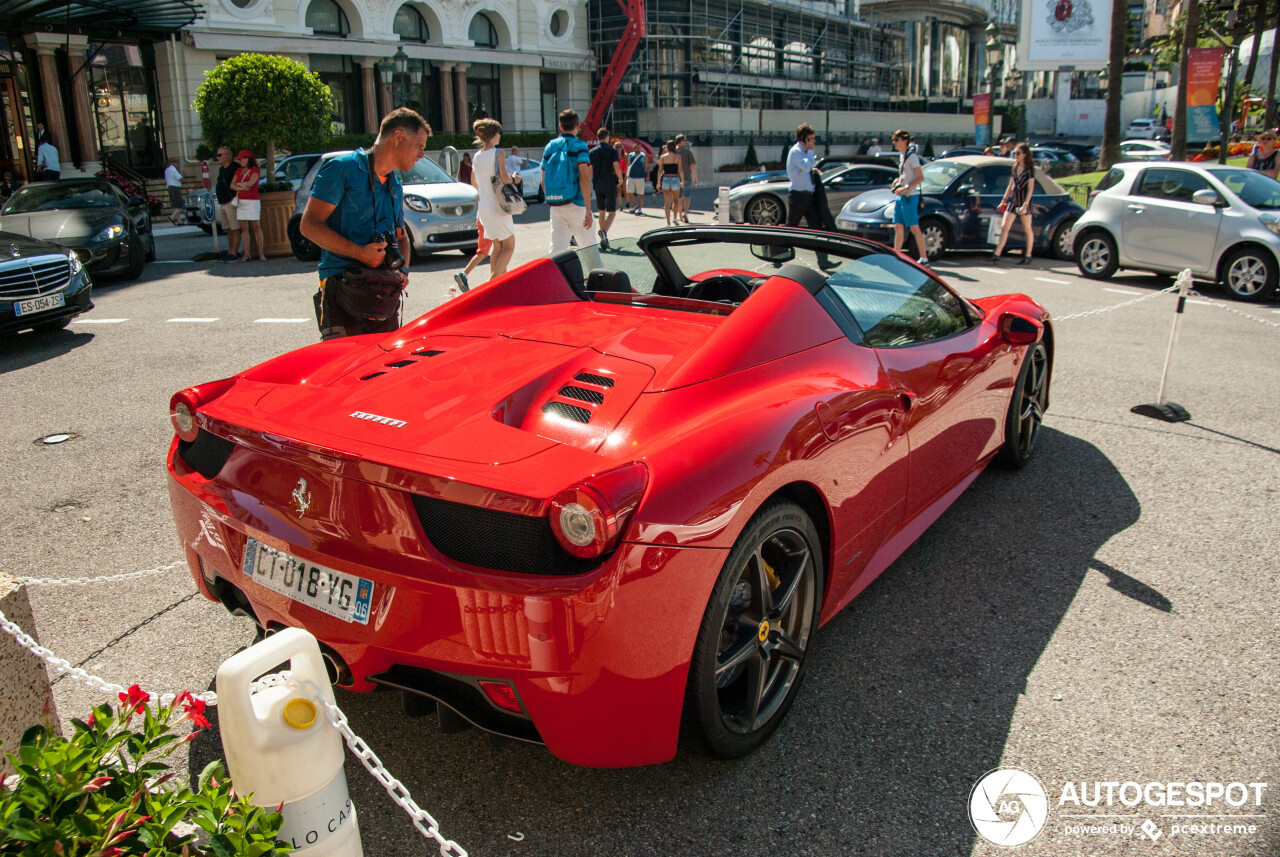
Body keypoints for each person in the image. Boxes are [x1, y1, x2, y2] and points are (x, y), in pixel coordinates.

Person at [301, 107, 430, 340]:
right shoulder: (343, 168)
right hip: (342, 292)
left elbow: (401, 238)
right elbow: (309, 225)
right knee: (343, 370)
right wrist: (359, 253)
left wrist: (402, 270)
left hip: (383, 296)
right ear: (398, 137)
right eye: (419, 146)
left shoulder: (395, 185)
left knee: (386, 371)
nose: (422, 154)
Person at [542, 108, 594, 255]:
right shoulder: (580, 145)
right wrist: (588, 210)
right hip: (577, 203)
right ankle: (599, 278)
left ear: (560, 126)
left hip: (556, 205)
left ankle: (552, 278)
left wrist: (554, 197)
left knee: (556, 251)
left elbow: (543, 180)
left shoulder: (550, 147)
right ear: (577, 126)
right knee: (589, 249)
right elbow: (584, 178)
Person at [471, 118, 517, 279]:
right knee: (509, 246)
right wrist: (514, 178)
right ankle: (492, 284)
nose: (500, 135)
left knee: (498, 247)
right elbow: (504, 178)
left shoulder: (476, 156)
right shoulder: (498, 153)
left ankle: (499, 287)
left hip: (483, 207)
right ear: (493, 134)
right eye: (498, 132)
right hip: (498, 206)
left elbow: (474, 182)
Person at [990, 142, 1036, 266]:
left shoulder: (1030, 170)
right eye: (1014, 153)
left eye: (1018, 153)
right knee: (1005, 226)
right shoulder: (1015, 168)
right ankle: (997, 254)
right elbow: (1010, 186)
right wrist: (1003, 200)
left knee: (1027, 228)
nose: (1015, 155)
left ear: (1025, 154)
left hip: (1023, 201)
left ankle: (1028, 255)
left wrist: (1025, 204)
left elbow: (1031, 188)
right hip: (1013, 200)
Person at [889, 129, 929, 266]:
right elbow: (906, 175)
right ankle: (896, 255)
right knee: (898, 226)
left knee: (914, 228)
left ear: (904, 141)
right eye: (893, 140)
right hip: (902, 196)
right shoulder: (902, 156)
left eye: (896, 140)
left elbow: (920, 177)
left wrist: (905, 188)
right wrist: (898, 181)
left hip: (910, 197)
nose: (894, 142)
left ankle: (924, 258)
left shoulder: (912, 157)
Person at [786, 123, 825, 231]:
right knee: (791, 226)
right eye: (811, 139)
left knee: (816, 226)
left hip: (809, 195)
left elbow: (806, 169)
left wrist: (812, 171)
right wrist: (811, 150)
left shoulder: (805, 152)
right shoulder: (796, 151)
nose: (814, 141)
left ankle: (819, 247)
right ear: (804, 139)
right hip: (799, 195)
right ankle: (779, 247)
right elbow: (806, 166)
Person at [588, 127, 622, 249]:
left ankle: (604, 237)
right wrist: (621, 179)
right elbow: (616, 167)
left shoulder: (592, 152)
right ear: (607, 137)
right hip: (610, 183)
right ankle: (604, 232)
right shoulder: (612, 150)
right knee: (612, 212)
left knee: (601, 211)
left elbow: (590, 170)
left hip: (598, 184)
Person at [231, 150, 265, 263]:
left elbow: (251, 183)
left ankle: (261, 253)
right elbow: (232, 185)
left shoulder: (255, 170)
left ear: (248, 159)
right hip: (241, 201)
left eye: (243, 158)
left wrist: (240, 185)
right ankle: (246, 254)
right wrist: (243, 187)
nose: (241, 161)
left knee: (256, 226)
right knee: (244, 229)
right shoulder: (238, 170)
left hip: (252, 201)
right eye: (240, 159)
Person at [213, 146, 241, 262]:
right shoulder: (221, 170)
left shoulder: (235, 167)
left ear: (227, 155)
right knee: (228, 228)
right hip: (222, 202)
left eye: (220, 155)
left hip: (231, 201)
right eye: (217, 155)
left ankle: (234, 252)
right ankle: (230, 251)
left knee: (234, 228)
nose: (218, 157)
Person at [455, 221, 491, 292]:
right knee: (491, 251)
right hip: (487, 221)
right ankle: (464, 274)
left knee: (493, 250)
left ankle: (464, 274)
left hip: (482, 219)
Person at [658, 140, 683, 226]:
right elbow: (680, 170)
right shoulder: (677, 157)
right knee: (675, 200)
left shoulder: (663, 157)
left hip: (665, 179)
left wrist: (658, 182)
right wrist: (682, 181)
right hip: (675, 178)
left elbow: (660, 170)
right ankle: (675, 218)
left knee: (667, 202)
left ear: (667, 147)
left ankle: (668, 222)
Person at [675, 133, 697, 223]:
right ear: (682, 142)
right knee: (687, 196)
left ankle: (679, 214)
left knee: (678, 197)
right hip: (687, 176)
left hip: (676, 177)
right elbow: (692, 166)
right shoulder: (687, 152)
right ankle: (685, 212)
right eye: (684, 141)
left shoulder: (674, 152)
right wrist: (696, 177)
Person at [625, 143, 647, 214]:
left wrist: (648, 175)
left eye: (638, 148)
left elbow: (647, 166)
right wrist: (626, 174)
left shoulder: (643, 156)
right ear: (634, 148)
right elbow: (628, 165)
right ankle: (635, 205)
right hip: (631, 176)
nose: (637, 149)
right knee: (629, 191)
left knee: (640, 193)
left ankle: (640, 208)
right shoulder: (630, 155)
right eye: (636, 148)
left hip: (640, 176)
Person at [164, 157, 185, 225]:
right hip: (175, 187)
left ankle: (179, 221)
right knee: (181, 204)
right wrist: (183, 174)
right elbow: (180, 179)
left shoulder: (167, 170)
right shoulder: (173, 170)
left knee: (175, 205)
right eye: (175, 162)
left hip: (170, 187)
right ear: (172, 163)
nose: (177, 164)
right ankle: (172, 217)